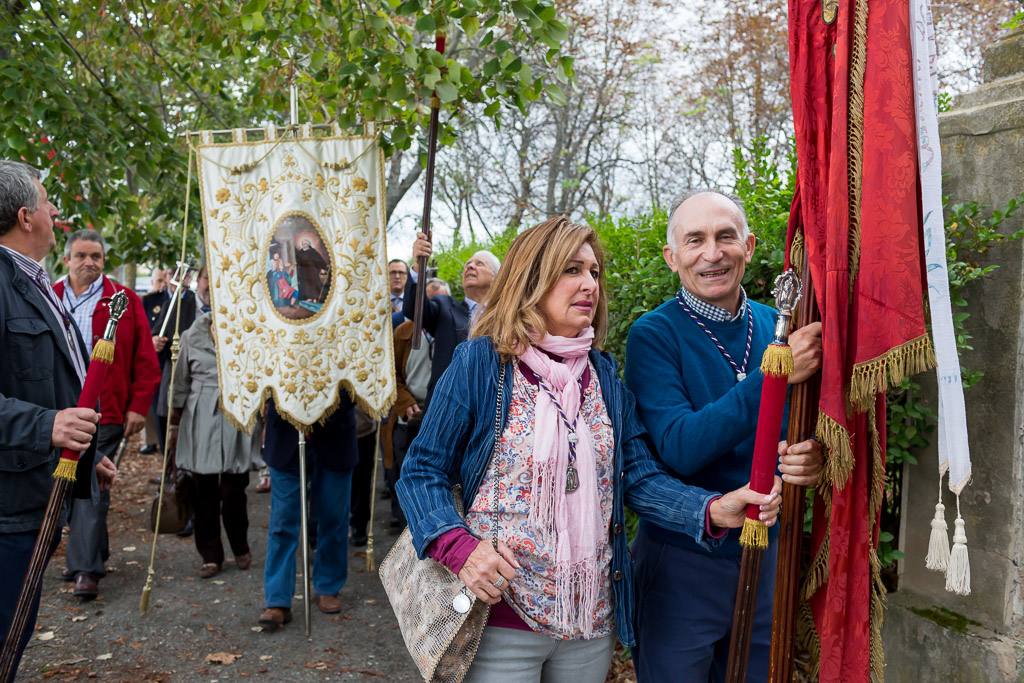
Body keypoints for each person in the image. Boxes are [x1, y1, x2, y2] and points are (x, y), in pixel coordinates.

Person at [397, 217, 782, 682]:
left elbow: (638, 476)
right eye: (571, 270)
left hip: (589, 621)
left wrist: (712, 509)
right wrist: (461, 549)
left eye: (594, 273)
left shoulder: (601, 375)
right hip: (499, 616)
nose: (589, 285)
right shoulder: (483, 363)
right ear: (532, 279)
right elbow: (421, 471)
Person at [624, 191, 823, 682]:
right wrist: (773, 376)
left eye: (725, 236)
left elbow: (802, 426)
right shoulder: (653, 334)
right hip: (683, 562)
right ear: (673, 257)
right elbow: (680, 447)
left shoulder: (778, 326)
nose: (712, 253)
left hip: (766, 553)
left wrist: (812, 457)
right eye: (695, 240)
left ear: (749, 246)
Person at [0, 160, 111, 676]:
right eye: (47, 203)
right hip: (7, 508)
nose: (55, 212)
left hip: (34, 494)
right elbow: (45, 410)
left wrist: (85, 457)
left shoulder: (32, 279)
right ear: (26, 216)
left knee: (15, 636)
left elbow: (51, 383)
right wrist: (47, 427)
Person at [52, 229, 160, 600]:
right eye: (82, 255)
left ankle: (85, 569)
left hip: (106, 412)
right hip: (60, 411)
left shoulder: (124, 300)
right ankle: (94, 552)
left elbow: (146, 359)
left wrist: (137, 407)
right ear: (67, 259)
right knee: (72, 485)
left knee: (91, 488)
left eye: (96, 256)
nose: (89, 263)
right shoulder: (50, 297)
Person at [168, 310, 260, 579]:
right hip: (200, 416)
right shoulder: (190, 335)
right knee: (203, 489)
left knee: (234, 488)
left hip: (237, 412)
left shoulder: (248, 328)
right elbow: (180, 380)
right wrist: (174, 421)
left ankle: (240, 545)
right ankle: (210, 554)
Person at [258, 396, 359, 631]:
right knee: (282, 521)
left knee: (334, 516)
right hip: (285, 433)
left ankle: (328, 585)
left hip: (336, 431)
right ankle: (277, 598)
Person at [381, 277, 449, 531]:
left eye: (439, 302)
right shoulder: (403, 333)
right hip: (407, 417)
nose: (433, 310)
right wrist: (405, 401)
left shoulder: (452, 334)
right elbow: (391, 373)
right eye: (428, 302)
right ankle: (402, 526)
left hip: (438, 418)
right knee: (402, 473)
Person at [402, 235, 500, 402]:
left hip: (490, 407)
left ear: (496, 277)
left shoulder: (507, 318)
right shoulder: (444, 307)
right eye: (468, 264)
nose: (469, 266)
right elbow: (414, 309)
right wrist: (419, 266)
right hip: (446, 407)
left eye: (479, 263)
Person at [140, 268, 170, 454]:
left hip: (166, 358)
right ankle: (151, 441)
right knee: (149, 406)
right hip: (149, 358)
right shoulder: (149, 300)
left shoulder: (172, 299)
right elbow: (141, 328)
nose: (163, 283)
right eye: (158, 280)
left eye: (165, 279)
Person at [295, 237, 328, 302]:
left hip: (312, 271)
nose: (304, 245)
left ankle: (315, 298)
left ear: (308, 244)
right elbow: (297, 262)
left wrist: (323, 267)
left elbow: (319, 260)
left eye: (305, 243)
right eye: (303, 244)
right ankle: (308, 298)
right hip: (303, 272)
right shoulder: (300, 253)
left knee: (314, 284)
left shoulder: (313, 251)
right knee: (305, 285)